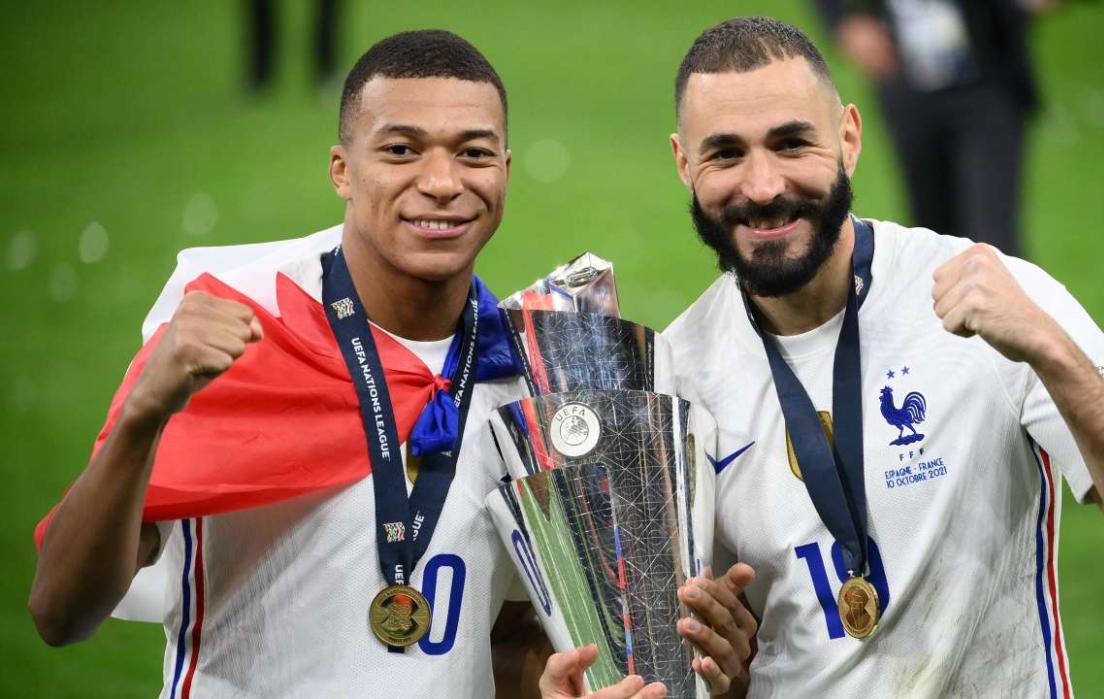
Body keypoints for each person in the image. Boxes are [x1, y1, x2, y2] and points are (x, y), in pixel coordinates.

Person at [29, 30, 746, 698]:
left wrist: (558, 682)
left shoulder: (534, 376)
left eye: (471, 152)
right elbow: (60, 612)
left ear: (504, 170)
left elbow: (495, 633)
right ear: (343, 169)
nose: (441, 181)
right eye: (401, 150)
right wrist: (140, 418)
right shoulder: (240, 328)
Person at [661, 17, 1104, 697]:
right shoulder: (673, 378)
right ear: (684, 163)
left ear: (848, 136)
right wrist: (719, 674)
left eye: (791, 143)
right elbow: (718, 654)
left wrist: (1051, 348)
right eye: (725, 154)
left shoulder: (997, 300)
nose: (761, 185)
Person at [812, 0, 1057, 256]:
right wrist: (844, 22)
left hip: (989, 75)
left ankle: (1003, 293)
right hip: (904, 80)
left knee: (992, 238)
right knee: (931, 238)